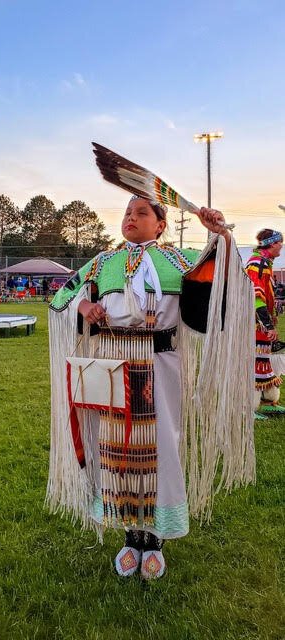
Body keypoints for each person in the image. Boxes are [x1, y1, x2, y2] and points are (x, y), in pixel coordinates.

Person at [47, 193, 255, 581]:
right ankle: (130, 534)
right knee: (117, 446)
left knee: (161, 445)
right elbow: (65, 294)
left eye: (142, 212)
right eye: (127, 211)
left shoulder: (178, 261)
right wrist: (84, 308)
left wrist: (221, 235)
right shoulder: (104, 261)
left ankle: (155, 537)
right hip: (111, 362)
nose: (131, 217)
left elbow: (225, 276)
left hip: (159, 361)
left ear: (160, 225)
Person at [245, 229, 285, 416]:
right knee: (255, 361)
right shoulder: (257, 263)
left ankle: (267, 399)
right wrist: (267, 325)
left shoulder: (264, 263)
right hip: (254, 324)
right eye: (279, 242)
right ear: (271, 243)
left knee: (263, 360)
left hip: (259, 325)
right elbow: (256, 297)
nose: (281, 246)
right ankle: (249, 405)